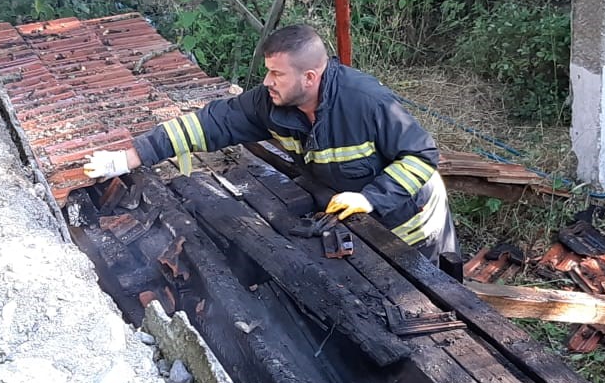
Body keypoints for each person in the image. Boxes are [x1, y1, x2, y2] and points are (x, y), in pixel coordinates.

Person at [84, 25, 458, 260]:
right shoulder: (271, 102)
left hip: (411, 219)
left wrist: (370, 199)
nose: (267, 81)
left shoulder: (365, 102)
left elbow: (422, 156)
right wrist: (129, 157)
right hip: (356, 216)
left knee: (424, 289)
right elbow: (209, 124)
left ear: (309, 77)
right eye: (268, 71)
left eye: (277, 73)